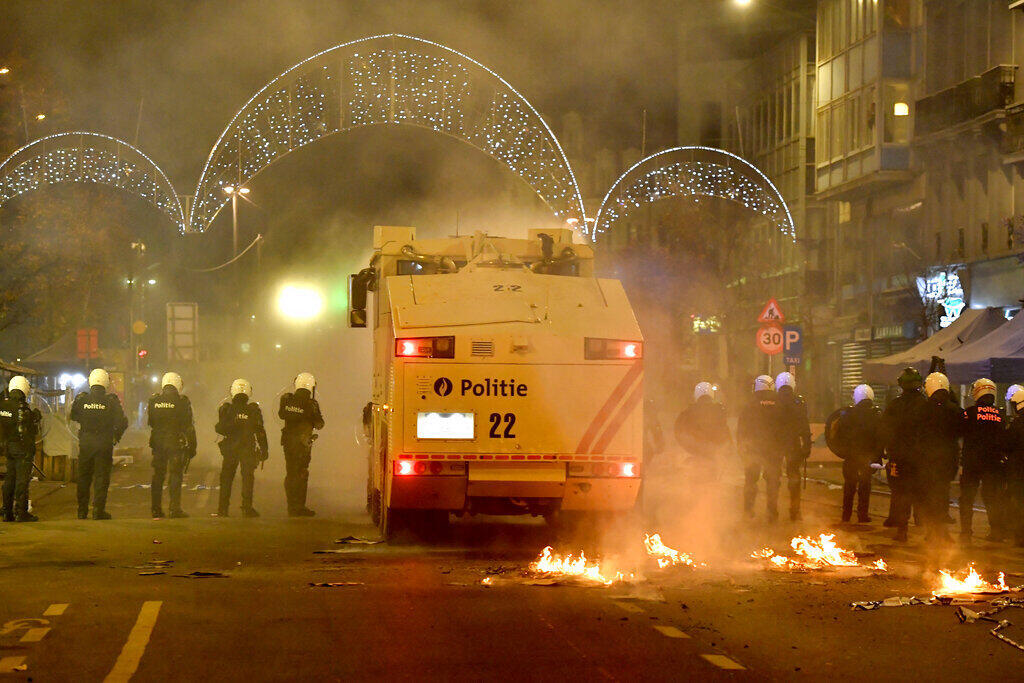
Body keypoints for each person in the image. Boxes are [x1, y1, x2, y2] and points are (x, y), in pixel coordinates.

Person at [70, 368, 128, 520]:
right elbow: (122, 422)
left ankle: (82, 511)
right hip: (104, 442)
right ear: (106, 383)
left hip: (86, 442)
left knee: (84, 477)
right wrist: (116, 437)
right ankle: (98, 511)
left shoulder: (82, 399)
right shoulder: (111, 401)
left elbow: (73, 416)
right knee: (101, 477)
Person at [880, 367, 928, 542]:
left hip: (899, 457)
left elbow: (884, 430)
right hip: (920, 458)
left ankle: (902, 529)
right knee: (921, 490)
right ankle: (925, 526)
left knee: (900, 492)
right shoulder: (926, 405)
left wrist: (884, 450)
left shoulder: (895, 405)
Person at [960, 378, 1009, 542]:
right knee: (992, 498)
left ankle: (966, 533)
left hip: (972, 462)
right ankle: (997, 532)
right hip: (993, 463)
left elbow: (959, 429)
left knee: (967, 498)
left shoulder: (970, 412)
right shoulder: (1000, 414)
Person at [829, 384, 883, 523]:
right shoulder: (876, 415)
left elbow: (838, 435)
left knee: (849, 485)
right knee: (865, 485)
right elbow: (880, 438)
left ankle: (846, 515)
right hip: (867, 457)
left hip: (851, 456)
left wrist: (842, 451)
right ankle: (862, 515)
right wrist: (878, 456)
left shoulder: (847, 415)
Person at [919, 372, 963, 542]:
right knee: (943, 493)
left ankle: (931, 531)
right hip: (948, 459)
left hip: (928, 459)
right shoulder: (954, 409)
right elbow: (961, 429)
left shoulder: (923, 409)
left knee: (929, 494)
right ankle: (942, 531)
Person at [215, 379, 268, 517]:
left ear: (232, 391)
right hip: (247, 448)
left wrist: (233, 424)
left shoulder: (227, 408)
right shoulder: (253, 410)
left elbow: (219, 428)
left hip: (230, 448)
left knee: (226, 478)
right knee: (247, 478)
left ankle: (222, 509)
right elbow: (260, 431)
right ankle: (247, 508)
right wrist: (264, 449)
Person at [147, 372, 197, 519]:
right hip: (175, 443)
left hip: (158, 443)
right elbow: (188, 426)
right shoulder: (182, 402)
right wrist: (193, 446)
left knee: (158, 475)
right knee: (175, 475)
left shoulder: (154, 400)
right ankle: (174, 509)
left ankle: (156, 509)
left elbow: (151, 422)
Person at [737, 375, 785, 521]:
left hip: (753, 449)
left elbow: (742, 428)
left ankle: (748, 511)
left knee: (751, 481)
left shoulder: (750, 405)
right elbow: (785, 428)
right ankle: (772, 513)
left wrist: (742, 447)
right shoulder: (780, 405)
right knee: (773, 482)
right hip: (774, 450)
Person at [279, 372, 324, 517]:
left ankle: (291, 506)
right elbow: (319, 424)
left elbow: (281, 414)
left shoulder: (286, 399)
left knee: (291, 473)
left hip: (288, 442)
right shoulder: (311, 404)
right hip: (303, 444)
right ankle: (299, 506)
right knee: (302, 473)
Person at [0, 376, 42, 522]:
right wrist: (35, 417)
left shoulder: (3, 405)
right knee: (22, 480)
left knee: (10, 479)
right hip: (22, 448)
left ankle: (7, 511)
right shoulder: (23, 408)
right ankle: (21, 512)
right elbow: (30, 430)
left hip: (9, 447)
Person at [775, 372, 812, 521]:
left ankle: (772, 511)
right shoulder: (799, 402)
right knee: (794, 476)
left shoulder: (772, 401)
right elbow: (804, 425)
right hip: (793, 444)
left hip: (776, 444)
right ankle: (795, 511)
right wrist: (807, 445)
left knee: (773, 477)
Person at [1004, 389, 1024, 546]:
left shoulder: (1017, 424)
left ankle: (1019, 536)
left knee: (1018, 502)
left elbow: (1008, 444)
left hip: (1018, 470)